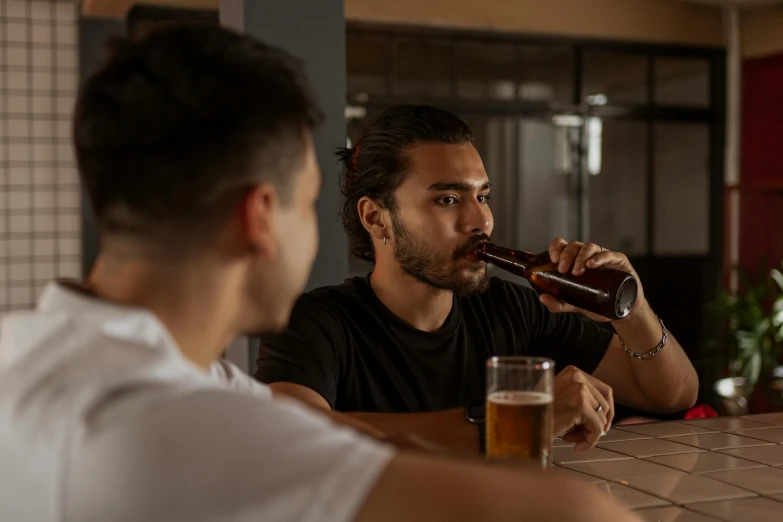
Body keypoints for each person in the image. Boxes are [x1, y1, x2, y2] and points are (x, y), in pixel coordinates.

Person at [0, 25, 640, 522]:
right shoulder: (185, 432)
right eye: (308, 202)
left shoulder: (26, 353)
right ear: (259, 218)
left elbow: (325, 431)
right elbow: (580, 514)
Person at [256, 105, 699, 454]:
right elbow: (289, 437)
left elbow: (671, 395)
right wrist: (510, 422)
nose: (480, 220)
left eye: (482, 196)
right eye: (448, 198)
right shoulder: (318, 323)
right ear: (376, 218)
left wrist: (631, 305)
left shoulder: (513, 309)